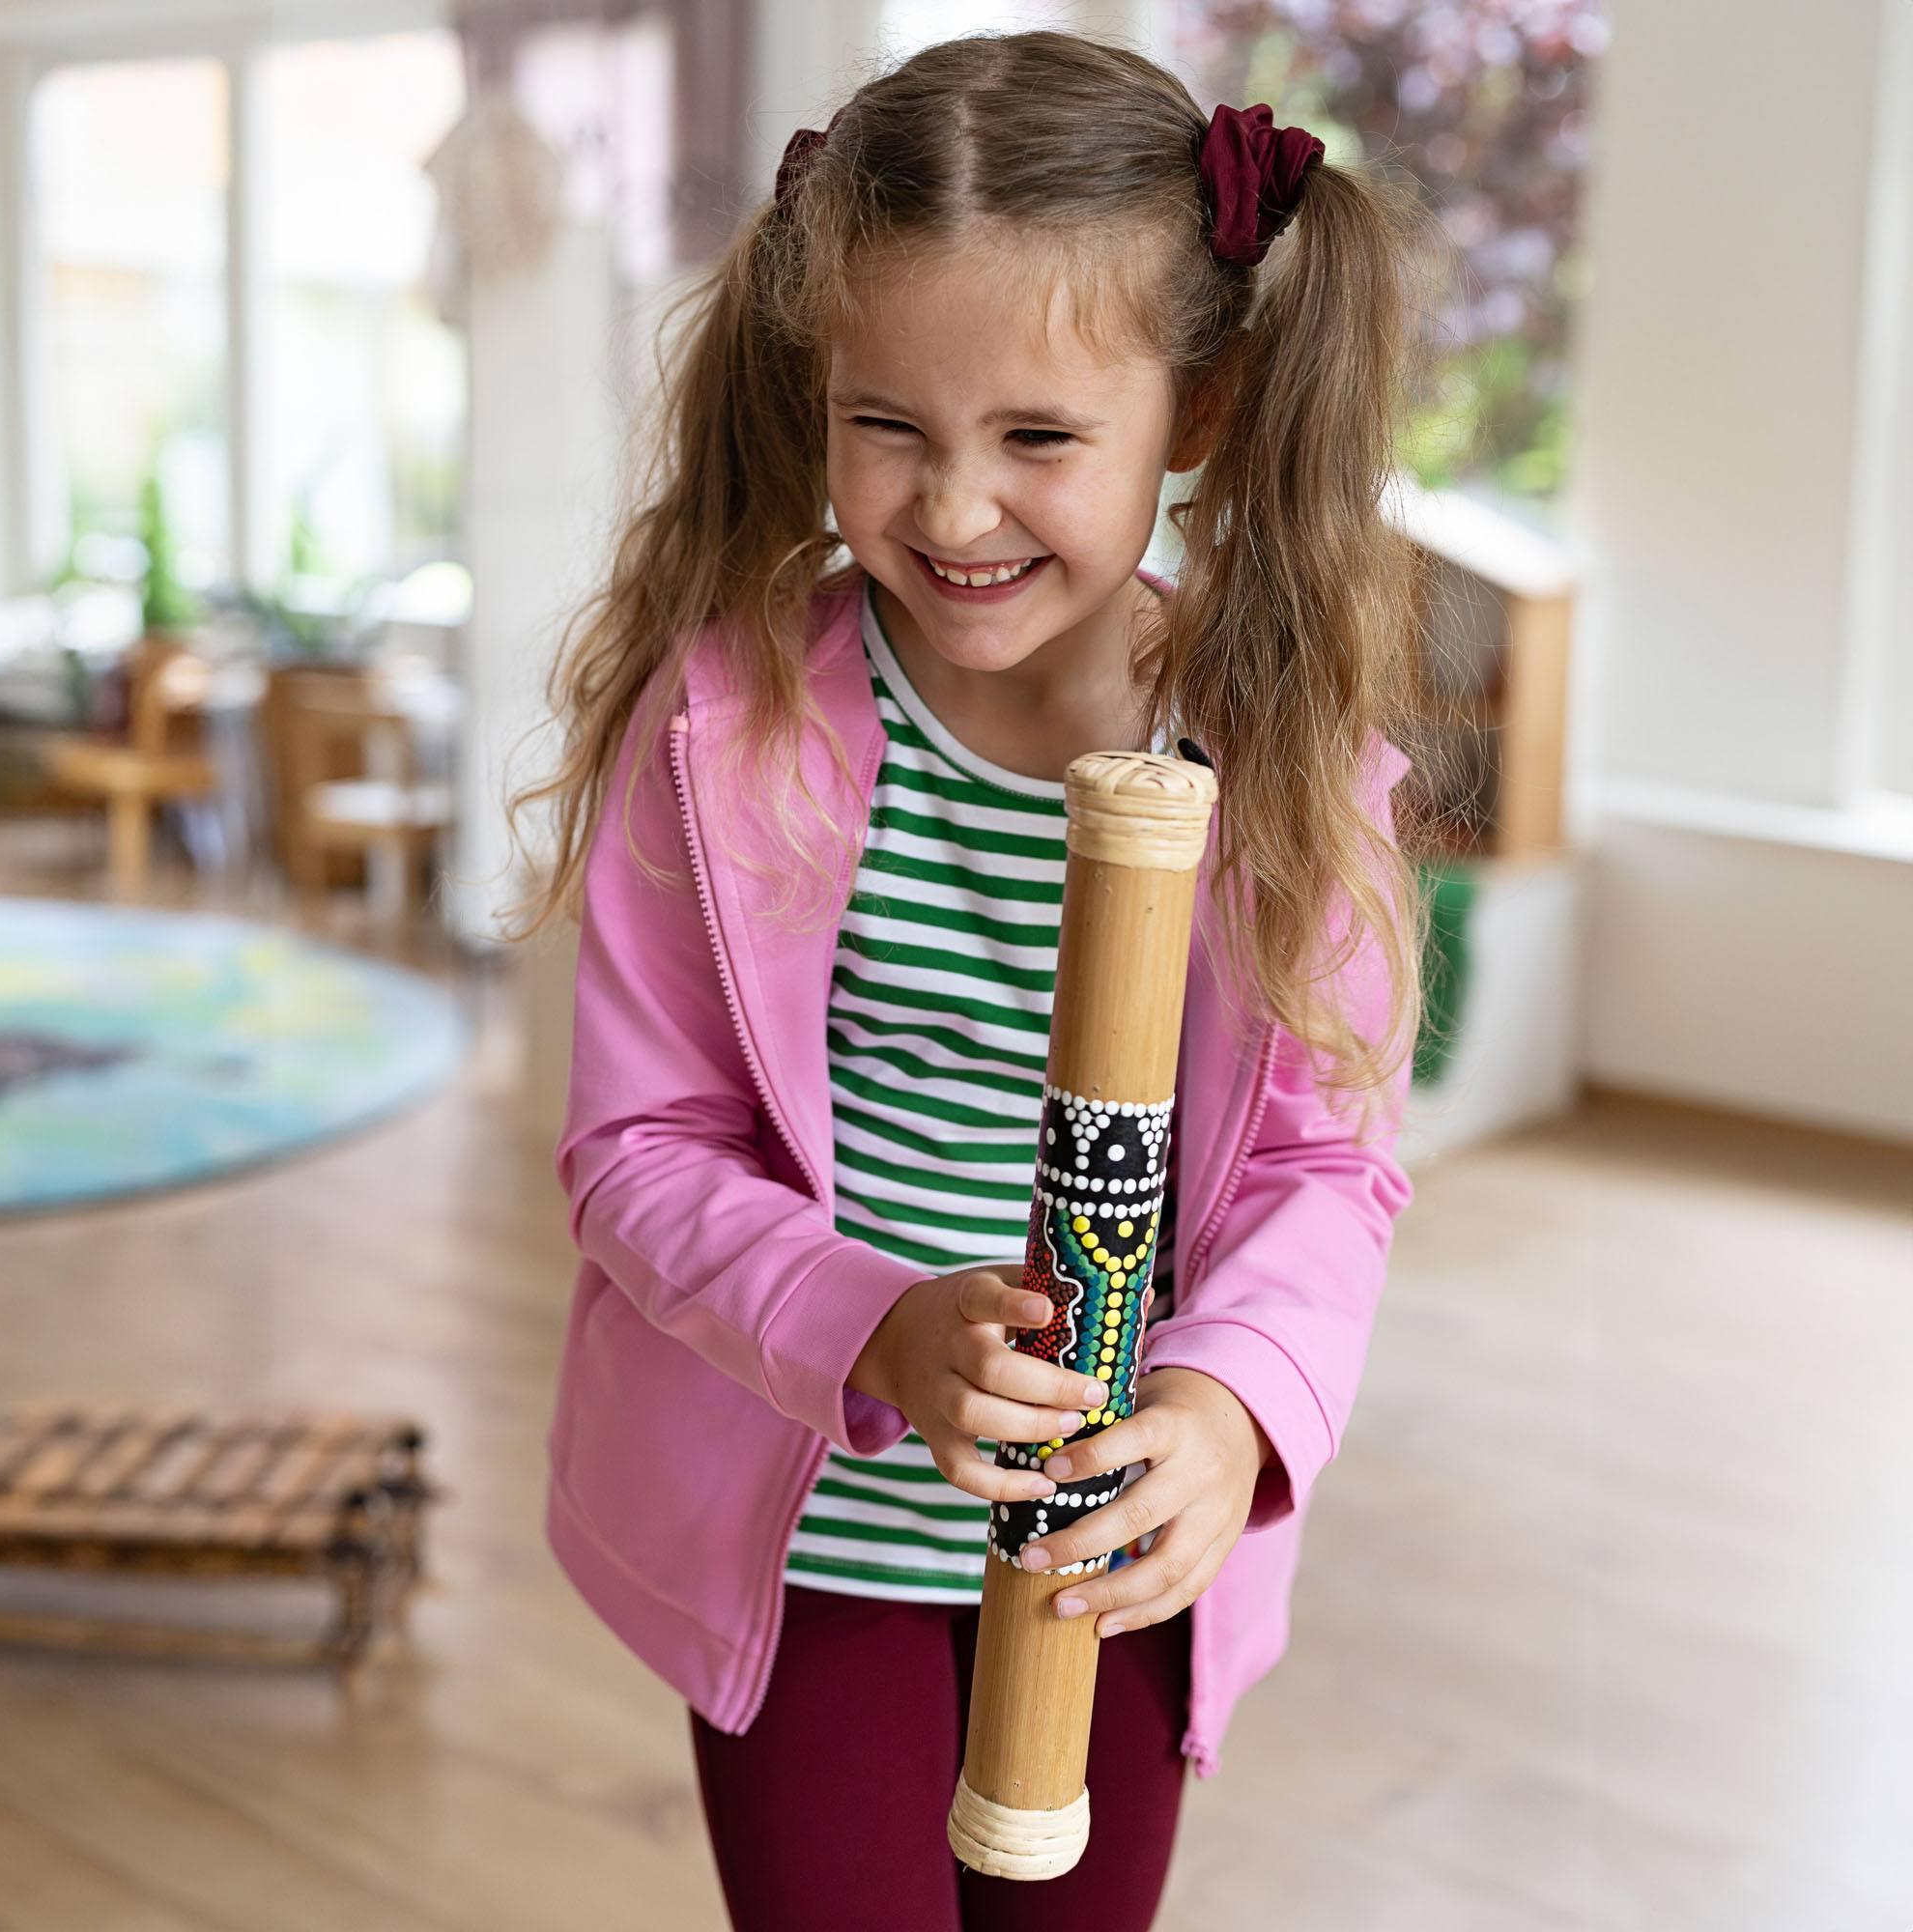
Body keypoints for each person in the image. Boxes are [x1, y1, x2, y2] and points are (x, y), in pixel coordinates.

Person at [517, 29, 1429, 1932]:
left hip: (1112, 1552)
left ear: (1190, 412)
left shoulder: (1280, 766)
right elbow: (638, 1152)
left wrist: (1227, 1409)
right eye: (888, 426)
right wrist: (875, 1322)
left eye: (1034, 437)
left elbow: (1322, 1181)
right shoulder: (725, 728)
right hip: (819, 1539)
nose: (949, 510)